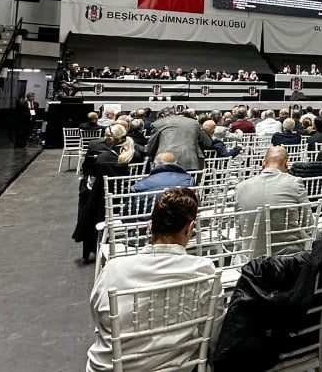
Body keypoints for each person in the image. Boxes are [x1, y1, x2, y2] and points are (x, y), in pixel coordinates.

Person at [87, 187, 224, 372]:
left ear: (150, 225)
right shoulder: (205, 271)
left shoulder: (114, 269)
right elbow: (214, 333)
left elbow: (99, 319)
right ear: (190, 228)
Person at [73, 124, 138, 262]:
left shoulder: (103, 158)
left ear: (109, 139)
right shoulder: (136, 155)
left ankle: (88, 242)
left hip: (106, 203)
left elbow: (91, 177)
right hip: (131, 201)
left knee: (86, 195)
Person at [233, 146, 313, 258]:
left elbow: (240, 229)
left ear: (263, 163)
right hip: (289, 259)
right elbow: (308, 224)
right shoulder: (295, 182)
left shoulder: (240, 187)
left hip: (251, 260)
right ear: (286, 164)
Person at [146, 107, 211, 171]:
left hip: (166, 162)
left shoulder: (158, 123)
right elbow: (207, 143)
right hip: (191, 162)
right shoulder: (193, 122)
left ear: (162, 116)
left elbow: (149, 150)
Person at [130, 152, 195, 193]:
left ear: (155, 164)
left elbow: (129, 211)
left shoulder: (139, 185)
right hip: (182, 214)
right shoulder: (189, 180)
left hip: (152, 214)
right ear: (175, 163)